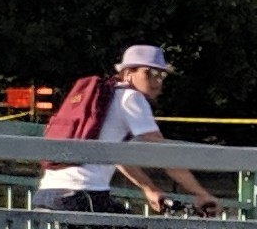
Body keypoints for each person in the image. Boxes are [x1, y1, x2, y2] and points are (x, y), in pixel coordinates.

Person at [35, 43, 226, 219]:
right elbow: (163, 152)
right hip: (83, 194)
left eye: (161, 75)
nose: (157, 81)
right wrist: (200, 193)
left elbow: (117, 155)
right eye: (149, 73)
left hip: (49, 193)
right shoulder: (132, 98)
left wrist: (149, 188)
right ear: (127, 73)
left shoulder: (109, 98)